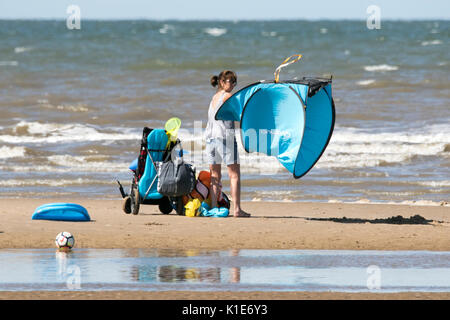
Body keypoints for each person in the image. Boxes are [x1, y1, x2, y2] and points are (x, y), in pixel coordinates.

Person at [205, 70, 250, 217]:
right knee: (234, 174)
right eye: (231, 81)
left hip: (210, 139)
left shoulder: (214, 97)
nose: (233, 85)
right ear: (222, 82)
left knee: (215, 176)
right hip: (225, 138)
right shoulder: (227, 96)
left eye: (234, 82)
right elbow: (241, 113)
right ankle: (237, 209)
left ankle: (213, 206)